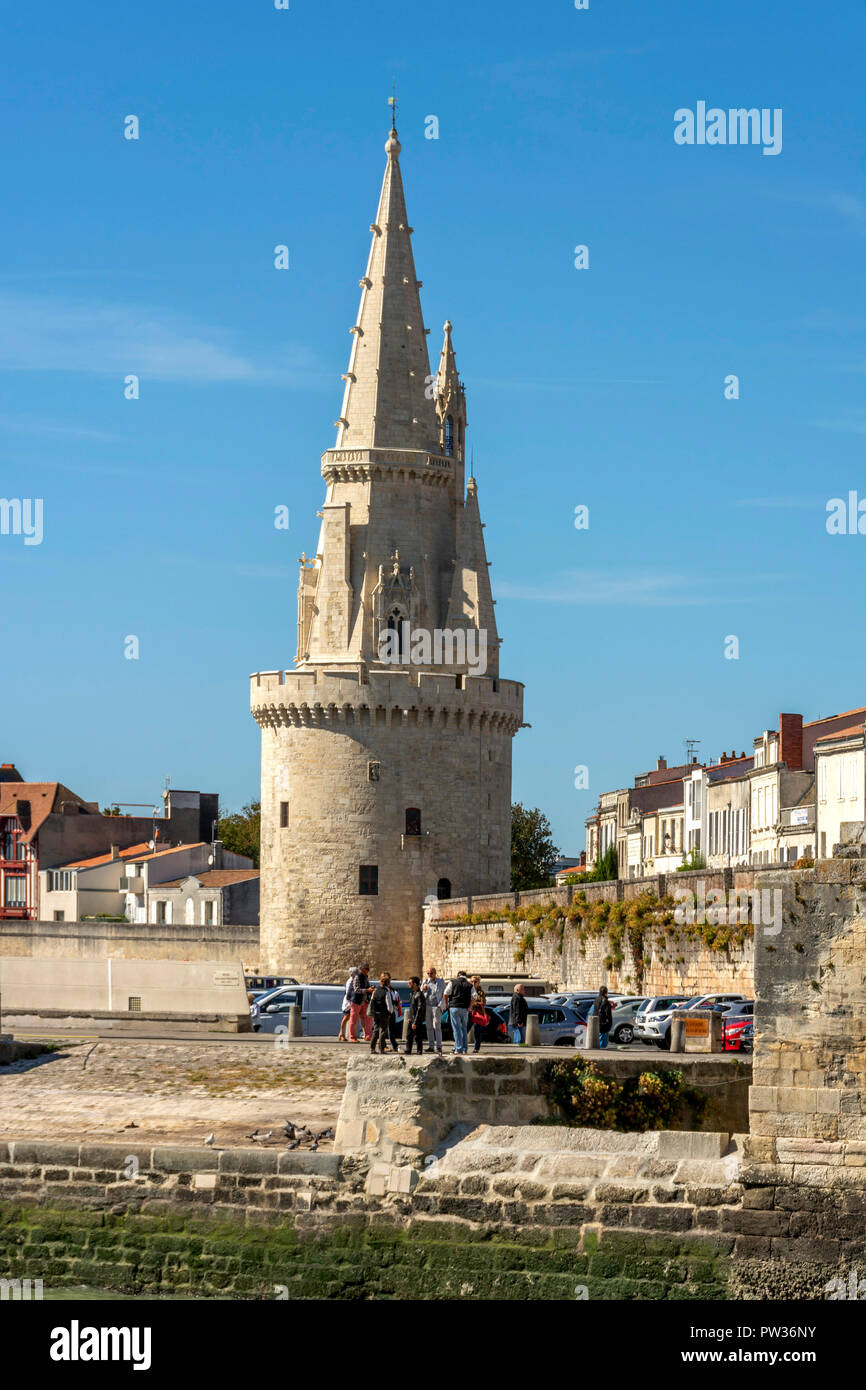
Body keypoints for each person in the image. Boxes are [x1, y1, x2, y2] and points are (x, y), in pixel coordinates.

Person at [444, 970, 472, 1055]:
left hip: (454, 1007)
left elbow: (445, 993)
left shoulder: (452, 982)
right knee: (464, 1028)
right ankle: (464, 1049)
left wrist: (447, 1004)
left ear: (457, 976)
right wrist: (469, 1007)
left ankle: (458, 1049)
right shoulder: (469, 985)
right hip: (465, 1008)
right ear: (465, 976)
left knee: (456, 1029)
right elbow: (474, 997)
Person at [368, 972, 394, 1054]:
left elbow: (372, 1001)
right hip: (384, 1014)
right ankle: (381, 1049)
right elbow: (389, 1005)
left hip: (376, 1013)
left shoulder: (375, 990)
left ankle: (372, 1048)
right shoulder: (386, 992)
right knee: (382, 1031)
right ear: (388, 983)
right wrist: (391, 1011)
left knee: (375, 1031)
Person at [423, 966, 445, 1054]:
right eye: (428, 973)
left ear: (435, 973)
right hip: (427, 1006)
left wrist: (440, 1006)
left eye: (431, 973)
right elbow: (421, 993)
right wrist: (423, 989)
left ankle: (439, 1046)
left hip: (436, 1006)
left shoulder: (440, 982)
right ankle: (431, 1046)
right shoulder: (425, 982)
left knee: (437, 1026)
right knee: (429, 1027)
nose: (429, 975)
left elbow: (445, 994)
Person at [348, 963, 372, 1042]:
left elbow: (366, 987)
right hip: (356, 1001)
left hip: (364, 1001)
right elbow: (356, 989)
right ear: (361, 969)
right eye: (366, 969)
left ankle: (367, 1035)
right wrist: (367, 990)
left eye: (368, 969)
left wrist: (370, 988)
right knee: (354, 1019)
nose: (368, 971)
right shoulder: (357, 977)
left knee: (367, 1019)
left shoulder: (365, 977)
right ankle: (351, 1037)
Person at [404, 976, 426, 1054]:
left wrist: (415, 1022)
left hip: (417, 1019)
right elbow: (411, 1007)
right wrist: (410, 1017)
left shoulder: (420, 995)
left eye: (410, 983)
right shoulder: (412, 994)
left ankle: (419, 1051)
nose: (408, 984)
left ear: (415, 984)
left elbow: (420, 1010)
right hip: (412, 1018)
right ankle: (408, 1049)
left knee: (418, 1036)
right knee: (409, 1035)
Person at [469, 976, 489, 1054]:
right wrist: (476, 1003)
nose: (473, 983)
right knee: (464, 1029)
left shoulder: (481, 992)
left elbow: (483, 1003)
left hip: (478, 1013)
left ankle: (476, 1048)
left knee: (477, 1031)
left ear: (478, 983)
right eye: (472, 981)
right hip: (469, 1012)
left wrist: (473, 1003)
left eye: (475, 982)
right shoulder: (468, 990)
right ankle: (460, 1046)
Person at [338, 967, 357, 1042]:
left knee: (348, 1017)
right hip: (349, 1000)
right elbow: (349, 991)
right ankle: (341, 1033)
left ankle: (341, 1033)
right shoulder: (350, 981)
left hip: (350, 1000)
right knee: (346, 1017)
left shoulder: (352, 980)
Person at [385, 973, 403, 1051]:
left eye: (389, 978)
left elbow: (396, 1001)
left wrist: (395, 1004)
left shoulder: (393, 990)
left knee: (391, 1029)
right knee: (382, 1030)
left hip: (392, 1011)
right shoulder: (382, 989)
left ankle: (394, 1044)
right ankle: (383, 1045)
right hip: (384, 1012)